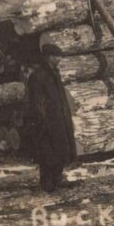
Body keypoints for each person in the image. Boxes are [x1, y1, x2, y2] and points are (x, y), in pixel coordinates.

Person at [26, 61, 78, 193]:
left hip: (59, 118)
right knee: (47, 152)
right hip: (47, 121)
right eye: (55, 56)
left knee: (61, 148)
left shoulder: (55, 74)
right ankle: (46, 181)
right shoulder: (37, 76)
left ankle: (58, 177)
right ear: (48, 58)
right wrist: (42, 119)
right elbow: (36, 100)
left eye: (59, 56)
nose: (59, 59)